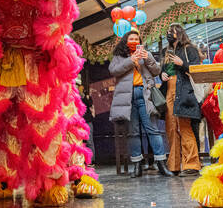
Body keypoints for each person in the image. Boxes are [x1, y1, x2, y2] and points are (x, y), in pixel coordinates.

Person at [108, 31, 174, 178]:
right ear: (126, 41)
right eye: (131, 38)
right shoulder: (119, 56)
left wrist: (148, 58)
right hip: (128, 97)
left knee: (153, 129)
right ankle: (137, 165)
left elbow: (157, 71)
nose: (134, 41)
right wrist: (131, 60)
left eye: (136, 39)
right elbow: (113, 70)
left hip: (145, 95)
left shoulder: (146, 54)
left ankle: (161, 163)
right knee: (133, 132)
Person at [160, 24, 202, 176]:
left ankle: (191, 164)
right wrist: (162, 75)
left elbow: (196, 69)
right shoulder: (166, 51)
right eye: (168, 31)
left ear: (179, 33)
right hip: (169, 89)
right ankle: (174, 165)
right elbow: (164, 70)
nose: (169, 34)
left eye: (172, 31)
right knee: (171, 128)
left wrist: (182, 64)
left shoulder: (189, 49)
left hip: (184, 90)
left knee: (184, 127)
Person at [78, 80, 96, 166]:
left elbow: (89, 104)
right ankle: (81, 161)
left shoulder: (87, 96)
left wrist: (85, 96)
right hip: (78, 121)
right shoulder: (75, 96)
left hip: (87, 120)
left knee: (89, 141)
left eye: (81, 87)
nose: (80, 88)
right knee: (79, 142)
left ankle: (91, 161)